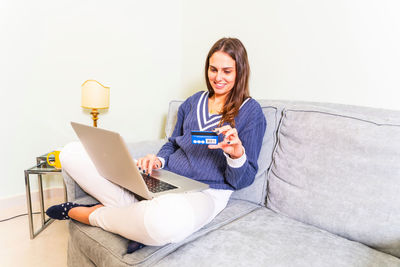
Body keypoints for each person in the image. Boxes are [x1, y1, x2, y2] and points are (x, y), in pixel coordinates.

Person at [46, 37, 267, 250]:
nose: (218, 77)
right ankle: (135, 214)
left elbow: (242, 180)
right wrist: (158, 160)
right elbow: (172, 144)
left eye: (227, 71)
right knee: (71, 153)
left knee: (162, 223)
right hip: (166, 178)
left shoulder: (251, 112)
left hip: (206, 193)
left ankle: (89, 214)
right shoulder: (192, 102)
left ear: (240, 72)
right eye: (213, 69)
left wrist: (236, 155)